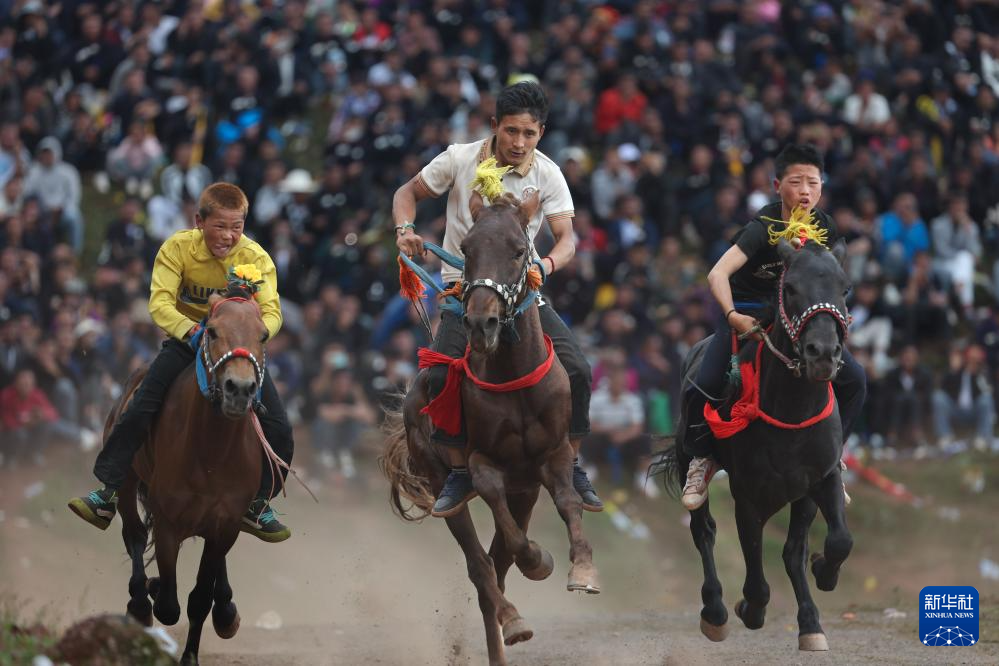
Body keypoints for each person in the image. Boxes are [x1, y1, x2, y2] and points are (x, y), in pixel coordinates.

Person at [392, 81, 602, 517]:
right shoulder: (459, 157)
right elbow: (406, 194)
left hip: (522, 293)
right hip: (462, 290)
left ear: (541, 132)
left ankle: (573, 464)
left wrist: (544, 265)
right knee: (434, 381)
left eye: (529, 133)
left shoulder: (548, 173)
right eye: (511, 132)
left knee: (578, 369)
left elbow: (567, 239)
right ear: (494, 127)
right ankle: (458, 470)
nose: (519, 143)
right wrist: (405, 229)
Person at [67, 183, 296, 542]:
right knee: (140, 407)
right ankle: (108, 492)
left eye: (236, 227)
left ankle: (257, 504)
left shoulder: (256, 258)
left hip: (236, 349)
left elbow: (272, 312)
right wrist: (194, 333)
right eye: (220, 226)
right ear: (199, 221)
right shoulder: (176, 248)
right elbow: (159, 303)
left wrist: (248, 335)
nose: (228, 236)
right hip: (187, 340)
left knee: (280, 427)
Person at [680, 144, 867, 509]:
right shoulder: (761, 228)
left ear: (821, 189)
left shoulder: (824, 228)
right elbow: (717, 273)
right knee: (703, 383)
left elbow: (835, 283)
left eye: (813, 183)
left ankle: (833, 459)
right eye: (796, 182)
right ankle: (701, 459)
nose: (805, 191)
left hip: (797, 321)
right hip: (749, 315)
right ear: (777, 185)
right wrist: (733, 316)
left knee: (856, 380)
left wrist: (839, 317)